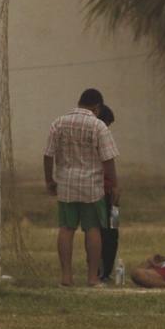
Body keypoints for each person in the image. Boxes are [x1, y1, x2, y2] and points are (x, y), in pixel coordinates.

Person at [44, 88, 120, 287]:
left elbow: (48, 154)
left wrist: (49, 180)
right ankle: (92, 278)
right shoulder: (99, 126)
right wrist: (115, 185)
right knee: (92, 229)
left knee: (66, 229)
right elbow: (108, 159)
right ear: (98, 107)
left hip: (66, 184)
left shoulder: (58, 123)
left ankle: (66, 277)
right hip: (92, 187)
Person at [96, 104, 120, 283]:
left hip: (108, 192)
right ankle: (101, 272)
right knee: (107, 233)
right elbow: (109, 163)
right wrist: (114, 187)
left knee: (112, 231)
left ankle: (104, 272)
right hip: (102, 192)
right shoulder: (97, 138)